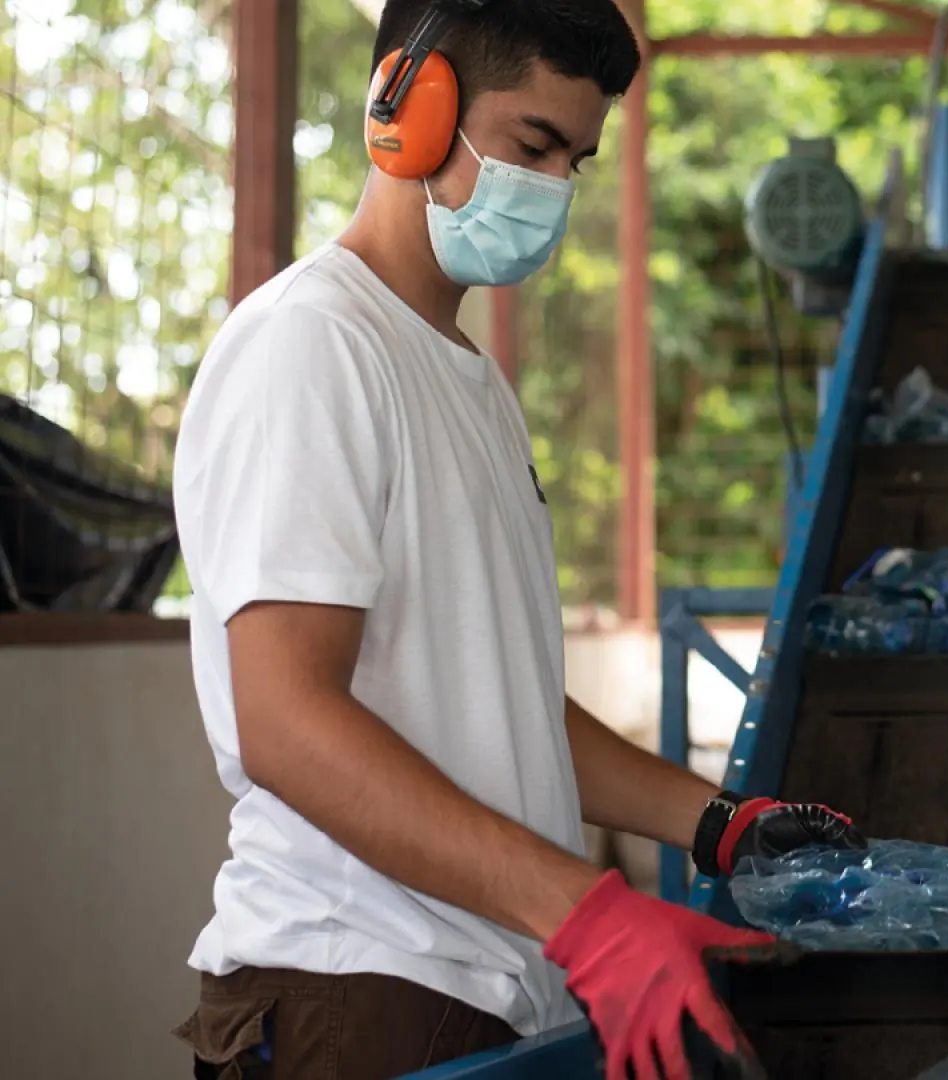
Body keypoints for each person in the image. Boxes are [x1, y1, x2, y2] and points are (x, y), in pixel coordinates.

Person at [169, 3, 861, 1078]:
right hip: (355, 988)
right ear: (407, 106)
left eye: (573, 162)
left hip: (481, 987)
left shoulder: (472, 383)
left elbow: (502, 709)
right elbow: (286, 722)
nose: (551, 190)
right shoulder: (311, 346)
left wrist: (720, 822)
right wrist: (588, 915)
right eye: (533, 144)